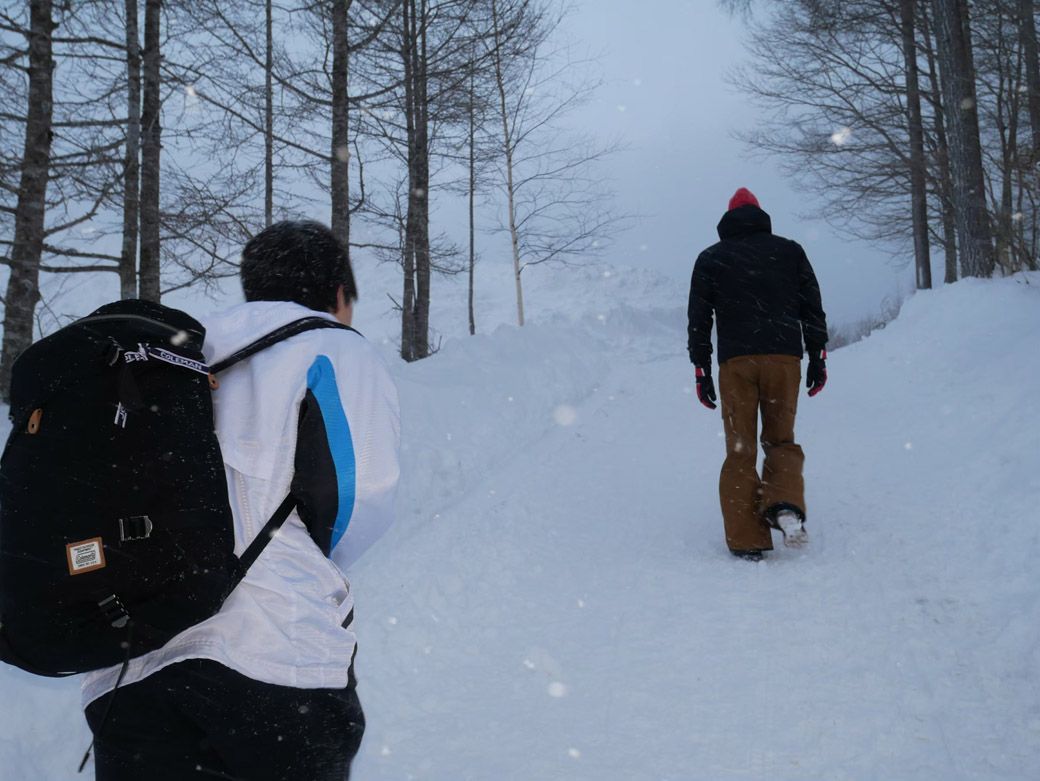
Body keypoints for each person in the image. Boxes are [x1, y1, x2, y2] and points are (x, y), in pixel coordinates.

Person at [81, 220, 401, 779]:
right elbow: (355, 496)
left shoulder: (173, 353)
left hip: (131, 673)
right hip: (276, 662)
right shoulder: (331, 345)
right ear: (338, 294)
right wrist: (304, 562)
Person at [688, 188, 828, 561]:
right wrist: (818, 356)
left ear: (728, 220)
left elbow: (699, 320)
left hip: (736, 363)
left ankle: (748, 539)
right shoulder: (790, 251)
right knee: (781, 439)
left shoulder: (710, 258)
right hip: (784, 358)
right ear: (761, 216)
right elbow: (811, 307)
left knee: (740, 449)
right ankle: (784, 504)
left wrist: (701, 369)